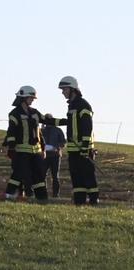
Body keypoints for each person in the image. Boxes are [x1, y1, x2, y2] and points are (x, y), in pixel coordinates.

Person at [4, 86, 66, 202]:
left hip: (35, 151)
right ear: (23, 97)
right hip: (21, 151)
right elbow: (11, 132)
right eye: (31, 98)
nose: (32, 100)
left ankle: (42, 198)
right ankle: (8, 195)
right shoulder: (14, 114)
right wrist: (12, 148)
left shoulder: (34, 113)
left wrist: (65, 121)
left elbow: (47, 122)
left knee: (38, 175)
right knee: (18, 174)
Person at [58, 76, 98, 205]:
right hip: (74, 149)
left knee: (88, 177)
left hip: (83, 149)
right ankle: (79, 203)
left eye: (64, 89)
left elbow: (87, 127)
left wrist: (85, 148)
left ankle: (93, 202)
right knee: (77, 178)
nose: (63, 92)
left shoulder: (83, 105)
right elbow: (69, 123)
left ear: (72, 89)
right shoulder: (72, 106)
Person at [41, 114, 66, 197]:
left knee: (55, 176)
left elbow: (63, 142)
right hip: (44, 156)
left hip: (55, 155)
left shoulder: (58, 130)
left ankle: (55, 194)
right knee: (42, 175)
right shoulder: (41, 130)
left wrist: (57, 147)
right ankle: (43, 193)